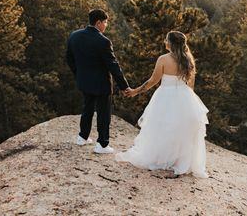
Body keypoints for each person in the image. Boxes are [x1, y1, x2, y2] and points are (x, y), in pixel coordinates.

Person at [115, 31, 209, 178]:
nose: (164, 41)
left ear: (170, 43)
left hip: (165, 95)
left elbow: (152, 81)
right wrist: (189, 103)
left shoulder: (163, 59)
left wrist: (134, 91)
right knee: (180, 129)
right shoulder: (189, 60)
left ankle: (162, 157)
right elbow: (191, 86)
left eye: (166, 39)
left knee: (161, 127)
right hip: (185, 97)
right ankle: (178, 160)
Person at [66, 9, 131, 154]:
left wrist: (78, 74)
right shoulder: (103, 41)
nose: (106, 25)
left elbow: (69, 59)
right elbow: (113, 66)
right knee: (103, 113)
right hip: (101, 84)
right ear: (98, 22)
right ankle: (102, 144)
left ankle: (82, 137)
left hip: (84, 81)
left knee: (87, 108)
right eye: (105, 22)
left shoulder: (74, 35)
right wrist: (124, 86)